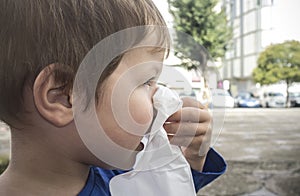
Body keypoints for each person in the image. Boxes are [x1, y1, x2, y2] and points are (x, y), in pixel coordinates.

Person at [0, 0, 226, 195]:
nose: (160, 98)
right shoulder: (118, 185)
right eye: (146, 82)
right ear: (64, 96)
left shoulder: (128, 178)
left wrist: (190, 160)